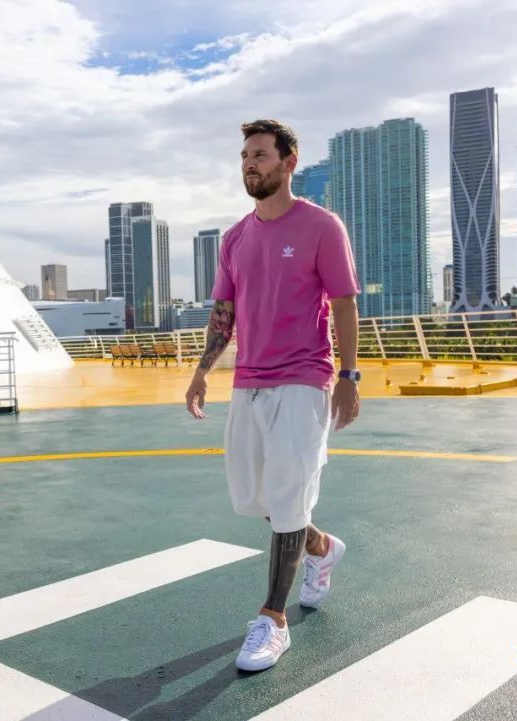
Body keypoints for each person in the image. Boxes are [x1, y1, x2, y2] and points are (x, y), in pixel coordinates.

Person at [184, 118, 361, 673]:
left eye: (259, 155)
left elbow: (344, 302)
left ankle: (273, 619)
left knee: (286, 493)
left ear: (289, 162)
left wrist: (349, 376)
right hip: (249, 381)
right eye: (244, 156)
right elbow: (224, 312)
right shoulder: (236, 238)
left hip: (304, 378)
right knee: (255, 498)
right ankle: (321, 547)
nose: (249, 164)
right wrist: (202, 370)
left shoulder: (320, 226)